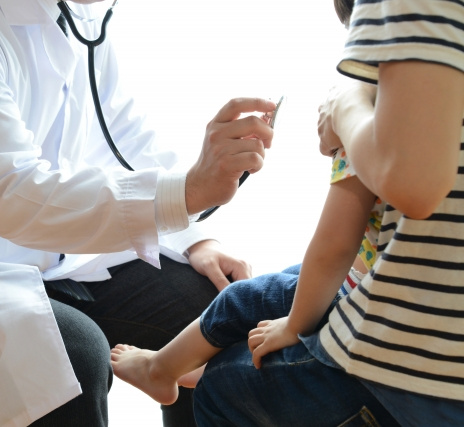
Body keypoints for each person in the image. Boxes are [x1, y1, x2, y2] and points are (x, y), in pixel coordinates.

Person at [0, 0, 279, 426]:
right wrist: (188, 192)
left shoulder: (75, 17)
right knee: (69, 357)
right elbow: (13, 195)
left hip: (34, 258)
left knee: (213, 313)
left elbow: (119, 141)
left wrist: (194, 239)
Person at [191, 0, 464, 425]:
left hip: (419, 374)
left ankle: (165, 368)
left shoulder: (374, 109)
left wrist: (345, 106)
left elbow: (335, 246)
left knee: (221, 381)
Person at [110, 108, 385, 405]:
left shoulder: (363, 148)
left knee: (242, 298)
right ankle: (197, 358)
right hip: (370, 280)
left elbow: (334, 250)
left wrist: (294, 325)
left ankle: (159, 370)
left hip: (363, 300)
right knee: (291, 276)